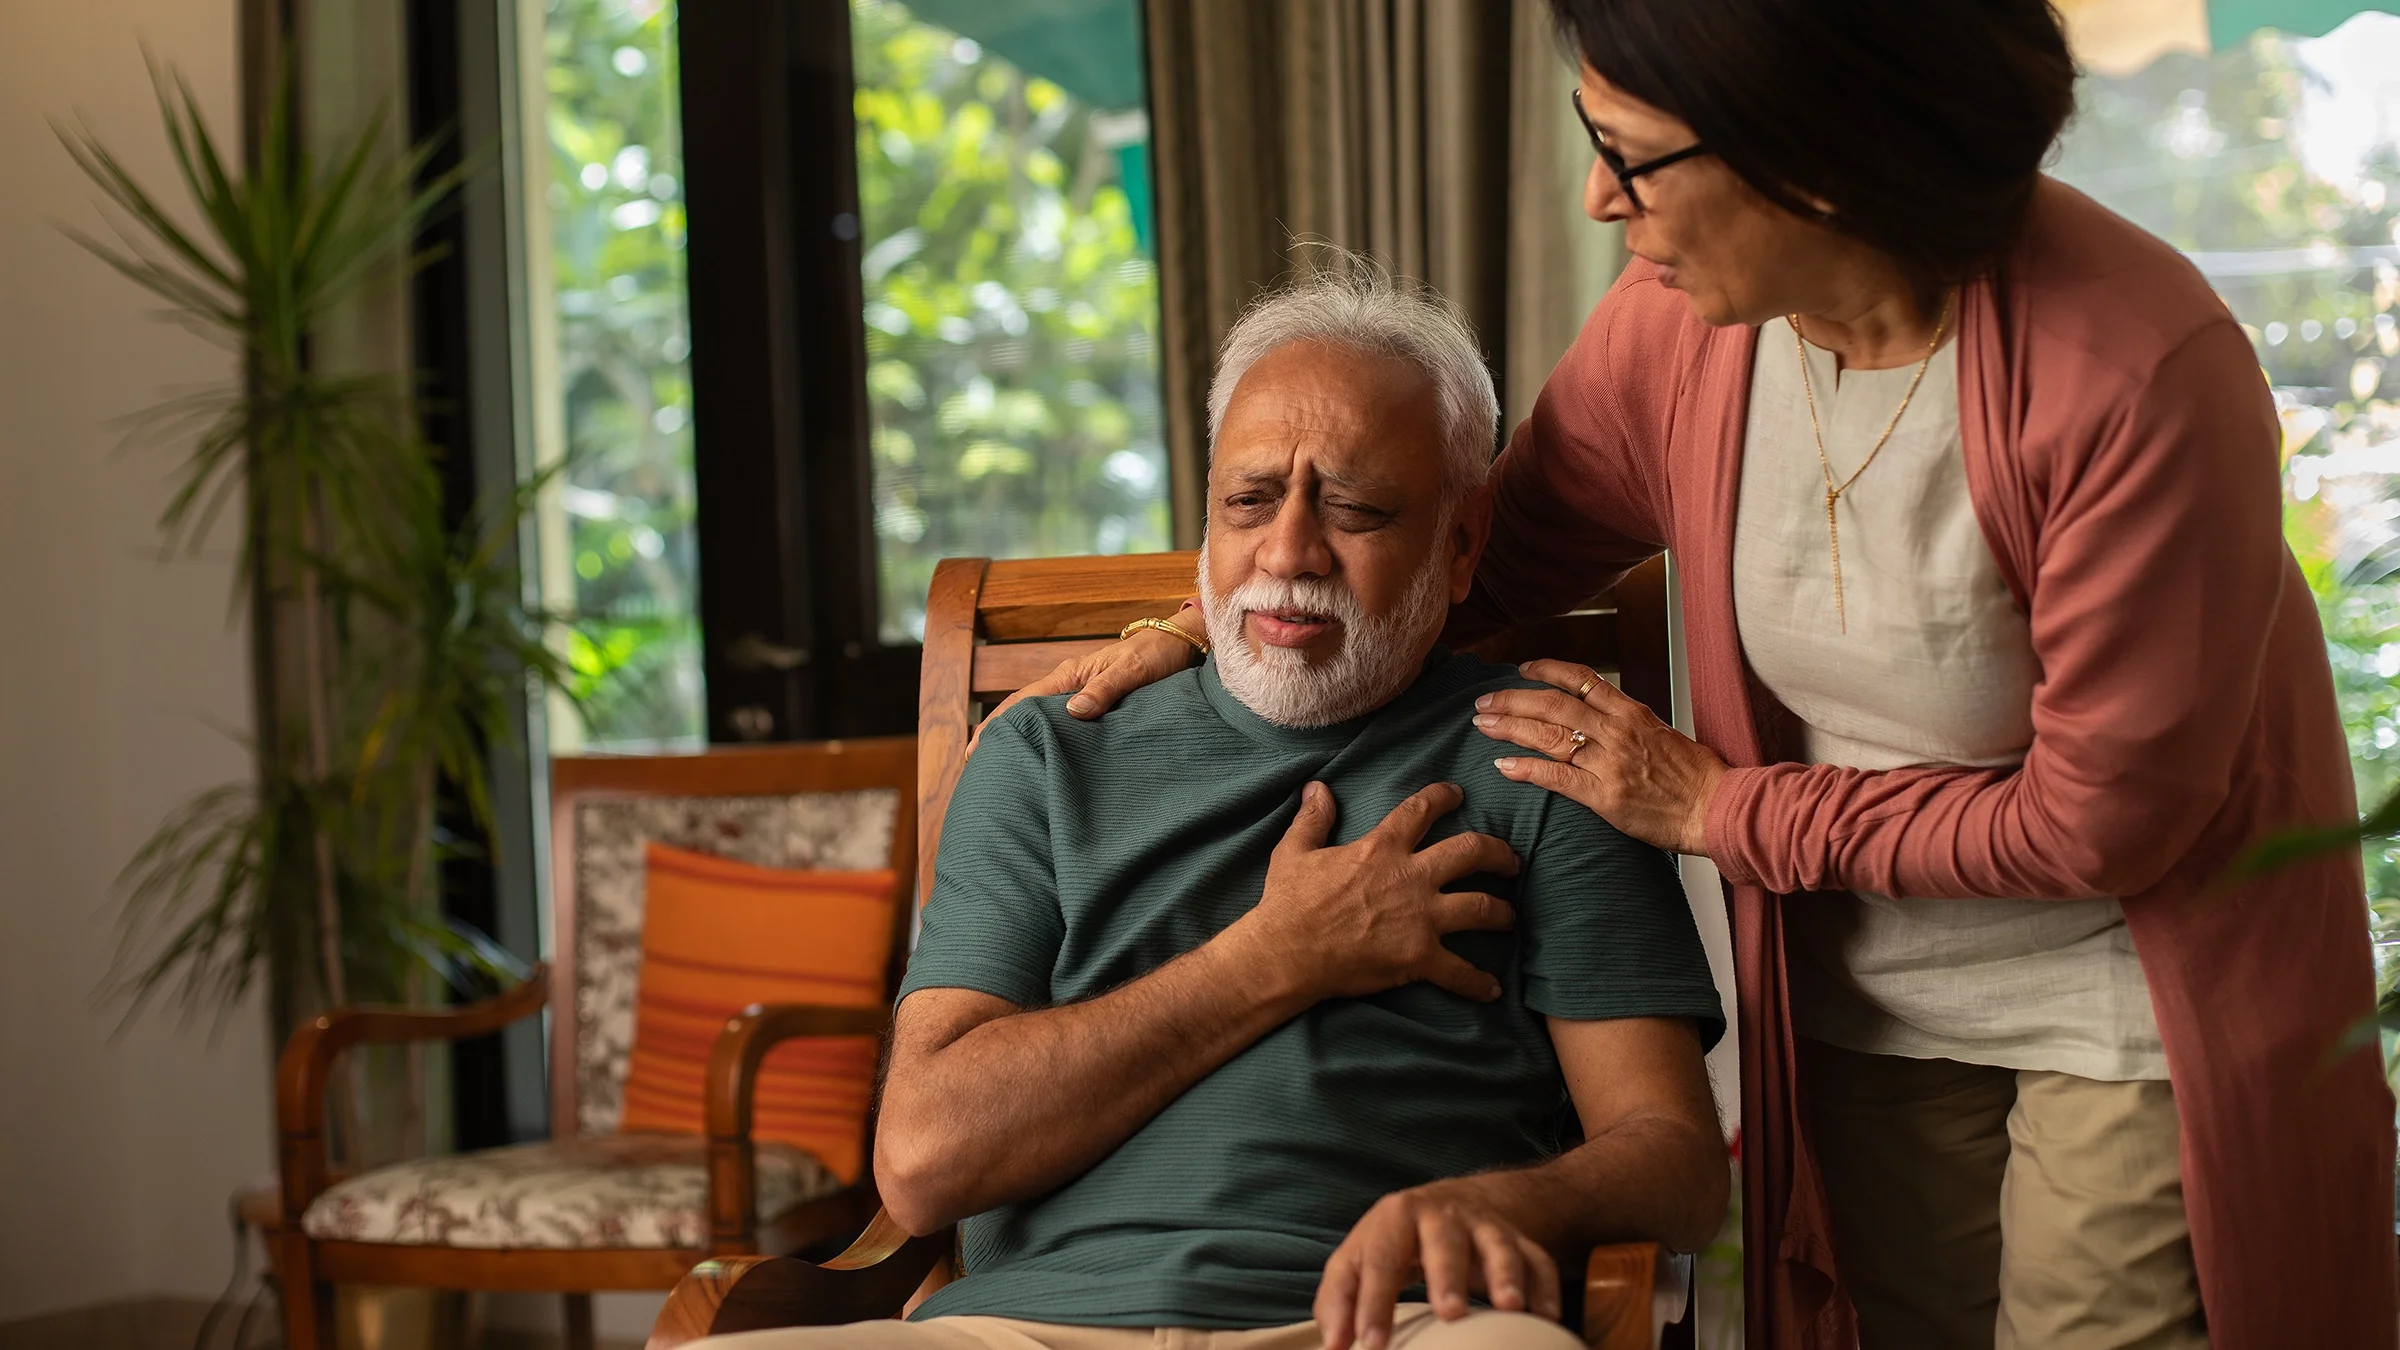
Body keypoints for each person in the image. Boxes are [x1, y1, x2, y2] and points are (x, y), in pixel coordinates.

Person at [1002, 3, 2400, 1348]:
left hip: (2124, 983)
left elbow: (2106, 820)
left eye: (1637, 155)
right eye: (1588, 135)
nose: (1604, 201)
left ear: (1815, 150)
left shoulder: (2135, 369)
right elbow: (1465, 554)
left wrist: (1723, 812)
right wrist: (1206, 628)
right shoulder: (1684, 327)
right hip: (1863, 986)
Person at [693, 270, 1727, 1350]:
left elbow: (1677, 1158)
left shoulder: (1548, 756)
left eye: (1357, 510)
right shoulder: (1048, 757)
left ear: (1463, 544)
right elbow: (922, 1162)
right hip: (1018, 1331)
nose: (1287, 555)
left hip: (1391, 1326)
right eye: (1248, 500)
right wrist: (1278, 956)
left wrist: (1513, 1205)